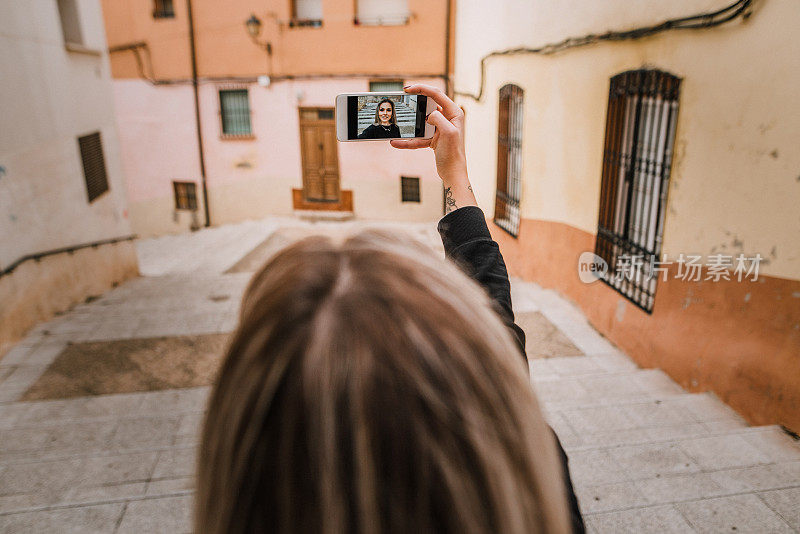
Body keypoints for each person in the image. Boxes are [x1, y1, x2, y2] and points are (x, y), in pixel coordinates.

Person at [196, 84, 585, 533]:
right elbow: (494, 323)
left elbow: (494, 331)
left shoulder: (264, 492)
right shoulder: (531, 478)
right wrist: (455, 173)